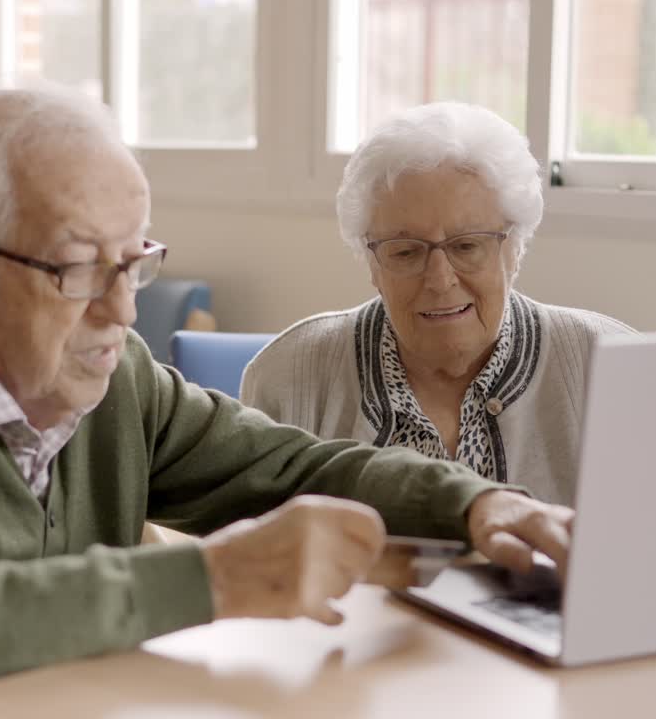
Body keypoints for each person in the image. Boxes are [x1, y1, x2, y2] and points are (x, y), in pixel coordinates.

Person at [0, 87, 575, 717]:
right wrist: (214, 579)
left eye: (134, 261)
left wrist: (476, 501)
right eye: (78, 269)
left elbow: (291, 466)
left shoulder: (112, 375)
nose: (121, 310)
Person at [241, 102, 634, 507]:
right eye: (406, 252)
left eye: (466, 246)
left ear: (515, 250)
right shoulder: (288, 379)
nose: (440, 279)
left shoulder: (611, 364)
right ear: (372, 263)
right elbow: (250, 555)